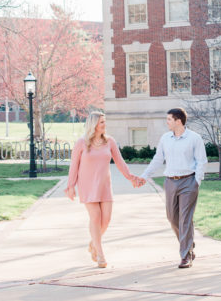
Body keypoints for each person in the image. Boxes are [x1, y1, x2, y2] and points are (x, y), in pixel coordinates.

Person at [65, 111, 140, 268]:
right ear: (94, 125)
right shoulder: (81, 143)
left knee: (106, 220)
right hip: (87, 185)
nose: (105, 125)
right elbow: (74, 165)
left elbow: (120, 162)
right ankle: (100, 254)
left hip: (104, 185)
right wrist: (70, 186)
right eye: (102, 123)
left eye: (105, 122)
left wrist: (131, 177)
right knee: (95, 217)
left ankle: (93, 243)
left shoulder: (109, 141)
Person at [138, 108, 208, 268]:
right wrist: (144, 176)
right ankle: (189, 244)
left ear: (178, 121)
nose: (167, 122)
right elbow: (158, 159)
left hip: (188, 182)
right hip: (170, 182)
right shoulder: (165, 138)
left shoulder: (194, 138)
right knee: (172, 218)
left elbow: (201, 161)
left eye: (169, 119)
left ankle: (185, 255)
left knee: (185, 219)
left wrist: (197, 181)